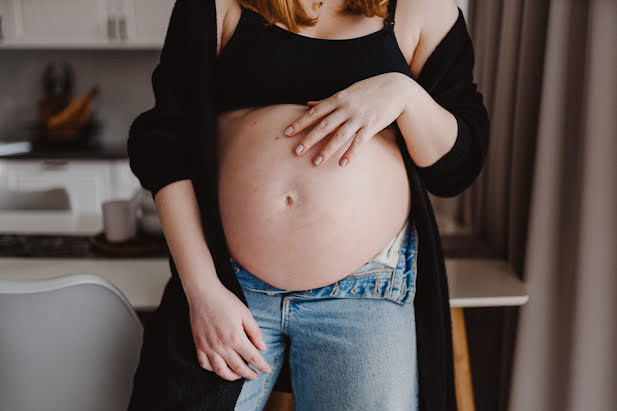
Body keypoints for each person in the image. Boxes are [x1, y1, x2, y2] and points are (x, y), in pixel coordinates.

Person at [126, 0, 489, 410]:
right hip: (229, 287)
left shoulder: (420, 8)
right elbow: (163, 146)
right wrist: (203, 292)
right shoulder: (217, 4)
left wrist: (403, 94)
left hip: (366, 292)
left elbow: (458, 167)